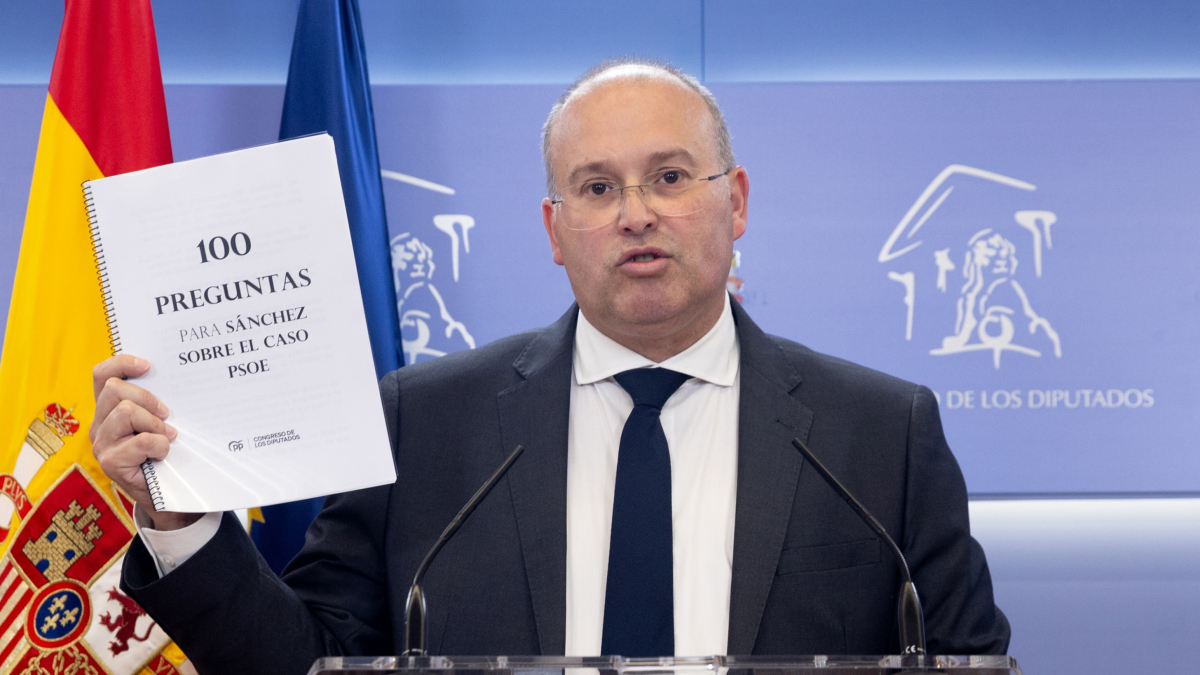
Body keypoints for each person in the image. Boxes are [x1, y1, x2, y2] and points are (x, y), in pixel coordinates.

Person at [90, 59, 1010, 675]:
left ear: (735, 202)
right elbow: (305, 662)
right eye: (598, 187)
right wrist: (183, 519)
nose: (637, 213)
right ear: (554, 230)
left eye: (671, 176)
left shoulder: (879, 435)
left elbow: (968, 658)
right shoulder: (422, 424)